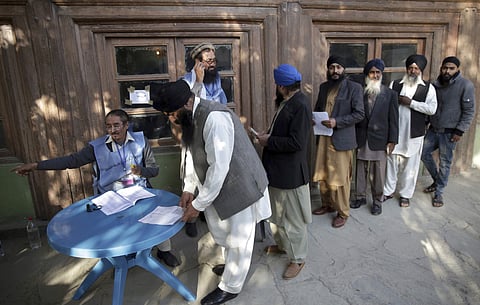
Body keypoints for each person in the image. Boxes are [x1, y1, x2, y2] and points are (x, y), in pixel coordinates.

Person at [151, 80, 271, 305]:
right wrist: (188, 187)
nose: (171, 119)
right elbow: (190, 153)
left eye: (171, 114)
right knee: (223, 233)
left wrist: (198, 204)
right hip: (216, 186)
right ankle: (232, 268)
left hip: (240, 184)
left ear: (187, 103)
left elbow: (219, 167)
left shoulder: (214, 118)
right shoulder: (189, 116)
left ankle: (231, 287)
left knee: (239, 239)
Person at [11, 109, 180, 267]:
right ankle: (122, 258)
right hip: (111, 196)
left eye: (116, 125)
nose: (112, 130)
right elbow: (71, 161)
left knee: (156, 216)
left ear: (126, 125)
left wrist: (141, 171)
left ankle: (164, 251)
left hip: (138, 190)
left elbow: (154, 170)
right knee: (116, 228)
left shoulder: (141, 142)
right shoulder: (96, 148)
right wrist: (36, 165)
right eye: (108, 126)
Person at [257, 64, 312, 279]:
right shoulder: (287, 102)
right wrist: (267, 135)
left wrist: (268, 141)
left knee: (294, 220)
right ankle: (283, 246)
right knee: (277, 215)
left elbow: (297, 142)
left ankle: (298, 258)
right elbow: (282, 132)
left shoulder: (300, 105)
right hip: (277, 172)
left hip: (290, 175)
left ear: (281, 86)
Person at [312, 55, 365, 228]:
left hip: (341, 139)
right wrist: (315, 119)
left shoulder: (354, 88)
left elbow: (359, 114)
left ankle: (343, 211)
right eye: (332, 67)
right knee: (323, 174)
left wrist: (337, 122)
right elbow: (319, 109)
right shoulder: (324, 87)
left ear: (344, 69)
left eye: (338, 67)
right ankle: (327, 204)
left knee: (341, 178)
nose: (335, 71)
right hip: (324, 137)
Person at [181, 42, 228, 237]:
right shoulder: (186, 82)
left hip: (213, 136)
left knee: (212, 173)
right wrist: (198, 83)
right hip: (193, 137)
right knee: (190, 178)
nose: (212, 65)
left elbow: (222, 105)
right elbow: (192, 110)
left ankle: (205, 212)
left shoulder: (216, 81)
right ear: (197, 63)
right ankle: (189, 217)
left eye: (214, 60)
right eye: (208, 61)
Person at [383, 54, 437, 207]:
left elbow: (432, 109)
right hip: (395, 132)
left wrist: (411, 103)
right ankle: (388, 191)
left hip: (414, 134)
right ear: (406, 69)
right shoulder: (395, 84)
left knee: (411, 166)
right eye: (410, 68)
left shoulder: (428, 88)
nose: (413, 71)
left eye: (416, 68)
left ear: (420, 70)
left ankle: (405, 195)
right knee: (391, 163)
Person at [421, 56, 475, 207]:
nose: (447, 71)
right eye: (445, 68)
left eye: (451, 68)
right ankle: (437, 180)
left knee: (445, 162)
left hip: (450, 132)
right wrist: (425, 121)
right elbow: (429, 105)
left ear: (457, 69)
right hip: (433, 130)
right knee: (422, 153)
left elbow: (469, 111)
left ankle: (439, 192)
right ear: (441, 68)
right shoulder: (435, 85)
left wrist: (460, 131)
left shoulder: (465, 85)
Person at [350, 59, 399, 216]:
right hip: (362, 136)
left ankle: (378, 200)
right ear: (367, 74)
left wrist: (393, 140)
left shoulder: (390, 94)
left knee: (378, 171)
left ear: (382, 74)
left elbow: (394, 119)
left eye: (378, 72)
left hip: (380, 138)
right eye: (372, 72)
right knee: (360, 169)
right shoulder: (359, 92)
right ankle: (360, 197)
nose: (375, 75)